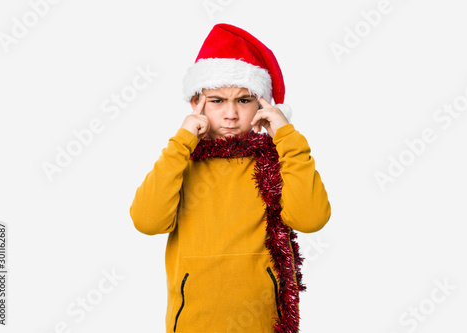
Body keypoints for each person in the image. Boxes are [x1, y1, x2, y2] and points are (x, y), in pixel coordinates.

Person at [130, 23, 331, 333]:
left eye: (243, 100)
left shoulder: (278, 162)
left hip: (263, 324)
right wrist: (183, 139)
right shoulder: (179, 162)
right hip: (193, 324)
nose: (231, 115)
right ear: (196, 104)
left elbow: (311, 218)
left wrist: (285, 135)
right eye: (217, 101)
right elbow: (148, 221)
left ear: (262, 105)